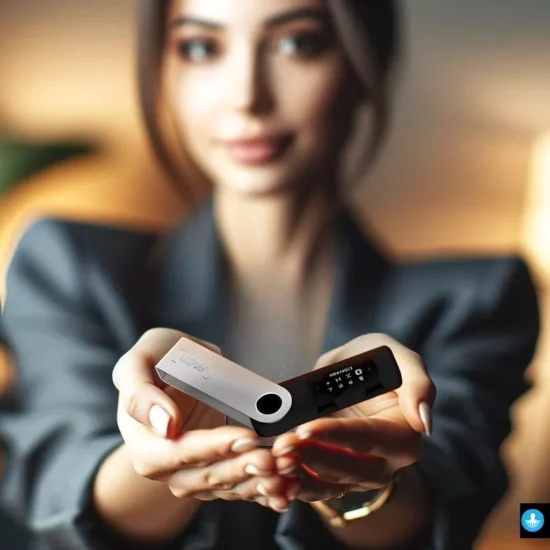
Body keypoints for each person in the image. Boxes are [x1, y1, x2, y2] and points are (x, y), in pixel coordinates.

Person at [0, 1, 539, 549]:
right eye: (201, 47)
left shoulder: (479, 297)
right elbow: (52, 495)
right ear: (164, 71)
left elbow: (451, 511)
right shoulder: (68, 263)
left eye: (296, 43)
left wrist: (357, 481)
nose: (247, 97)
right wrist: (162, 453)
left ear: (365, 64)